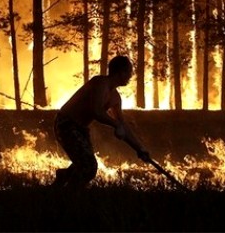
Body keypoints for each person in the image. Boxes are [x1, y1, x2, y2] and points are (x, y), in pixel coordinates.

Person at [53, 55, 151, 188]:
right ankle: (69, 195)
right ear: (120, 72)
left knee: (85, 163)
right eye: (129, 71)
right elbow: (96, 111)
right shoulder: (100, 83)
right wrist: (115, 124)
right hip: (66, 123)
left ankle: (63, 178)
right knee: (89, 166)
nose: (130, 75)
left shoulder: (115, 97)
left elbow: (123, 126)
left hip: (81, 128)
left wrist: (139, 149)